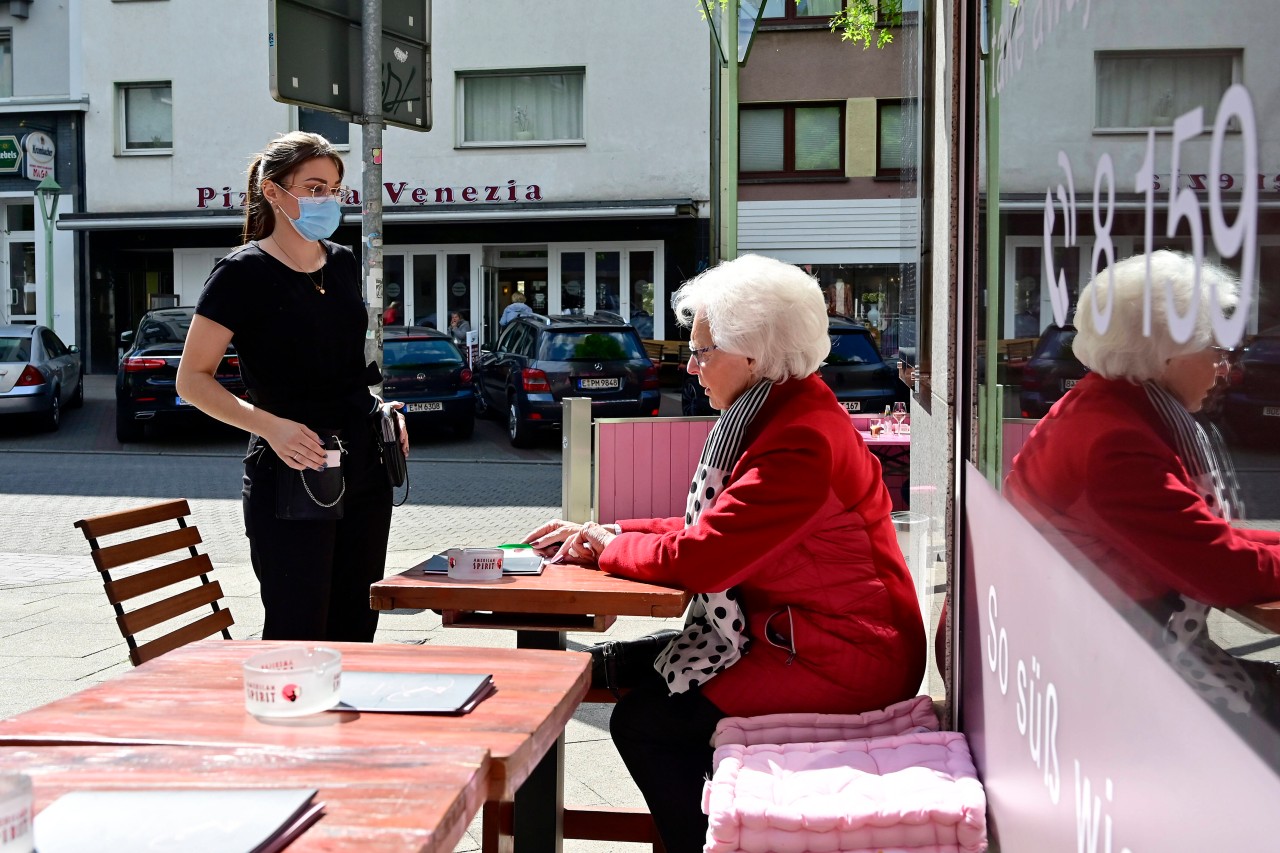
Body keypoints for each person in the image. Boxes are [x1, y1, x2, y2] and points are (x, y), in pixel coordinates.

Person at [522, 254, 926, 852]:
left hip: (843, 657)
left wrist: (610, 547)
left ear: (755, 353)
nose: (690, 365)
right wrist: (607, 531)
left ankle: (709, 842)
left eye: (702, 351)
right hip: (796, 635)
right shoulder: (784, 411)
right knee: (602, 671)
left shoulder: (800, 440)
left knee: (646, 724)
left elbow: (706, 557)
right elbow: (718, 527)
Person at [1005, 250, 1280, 722]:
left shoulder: (1105, 407)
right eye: (1215, 349)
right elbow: (1216, 566)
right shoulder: (1116, 441)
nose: (1223, 368)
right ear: (1165, 353)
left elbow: (1203, 539)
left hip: (1068, 650)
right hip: (1087, 677)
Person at [175, 131, 408, 643]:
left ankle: (348, 725)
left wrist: (381, 409)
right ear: (274, 192)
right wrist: (270, 428)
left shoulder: (343, 262)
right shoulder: (241, 273)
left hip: (365, 464)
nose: (329, 199)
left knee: (355, 622)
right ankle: (290, 724)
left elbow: (344, 368)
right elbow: (191, 380)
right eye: (316, 186)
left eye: (335, 189)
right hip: (292, 469)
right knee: (298, 632)